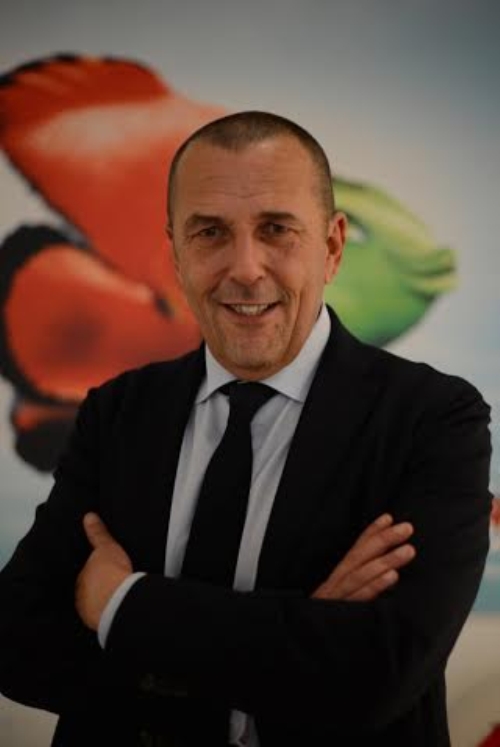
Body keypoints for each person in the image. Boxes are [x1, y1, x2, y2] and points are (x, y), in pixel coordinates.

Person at [0, 111, 492, 747]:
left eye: (276, 230)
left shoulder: (435, 418)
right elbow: (17, 638)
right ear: (176, 254)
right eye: (210, 232)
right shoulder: (115, 411)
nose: (246, 268)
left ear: (332, 247)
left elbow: (379, 674)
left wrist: (121, 605)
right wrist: (298, 636)